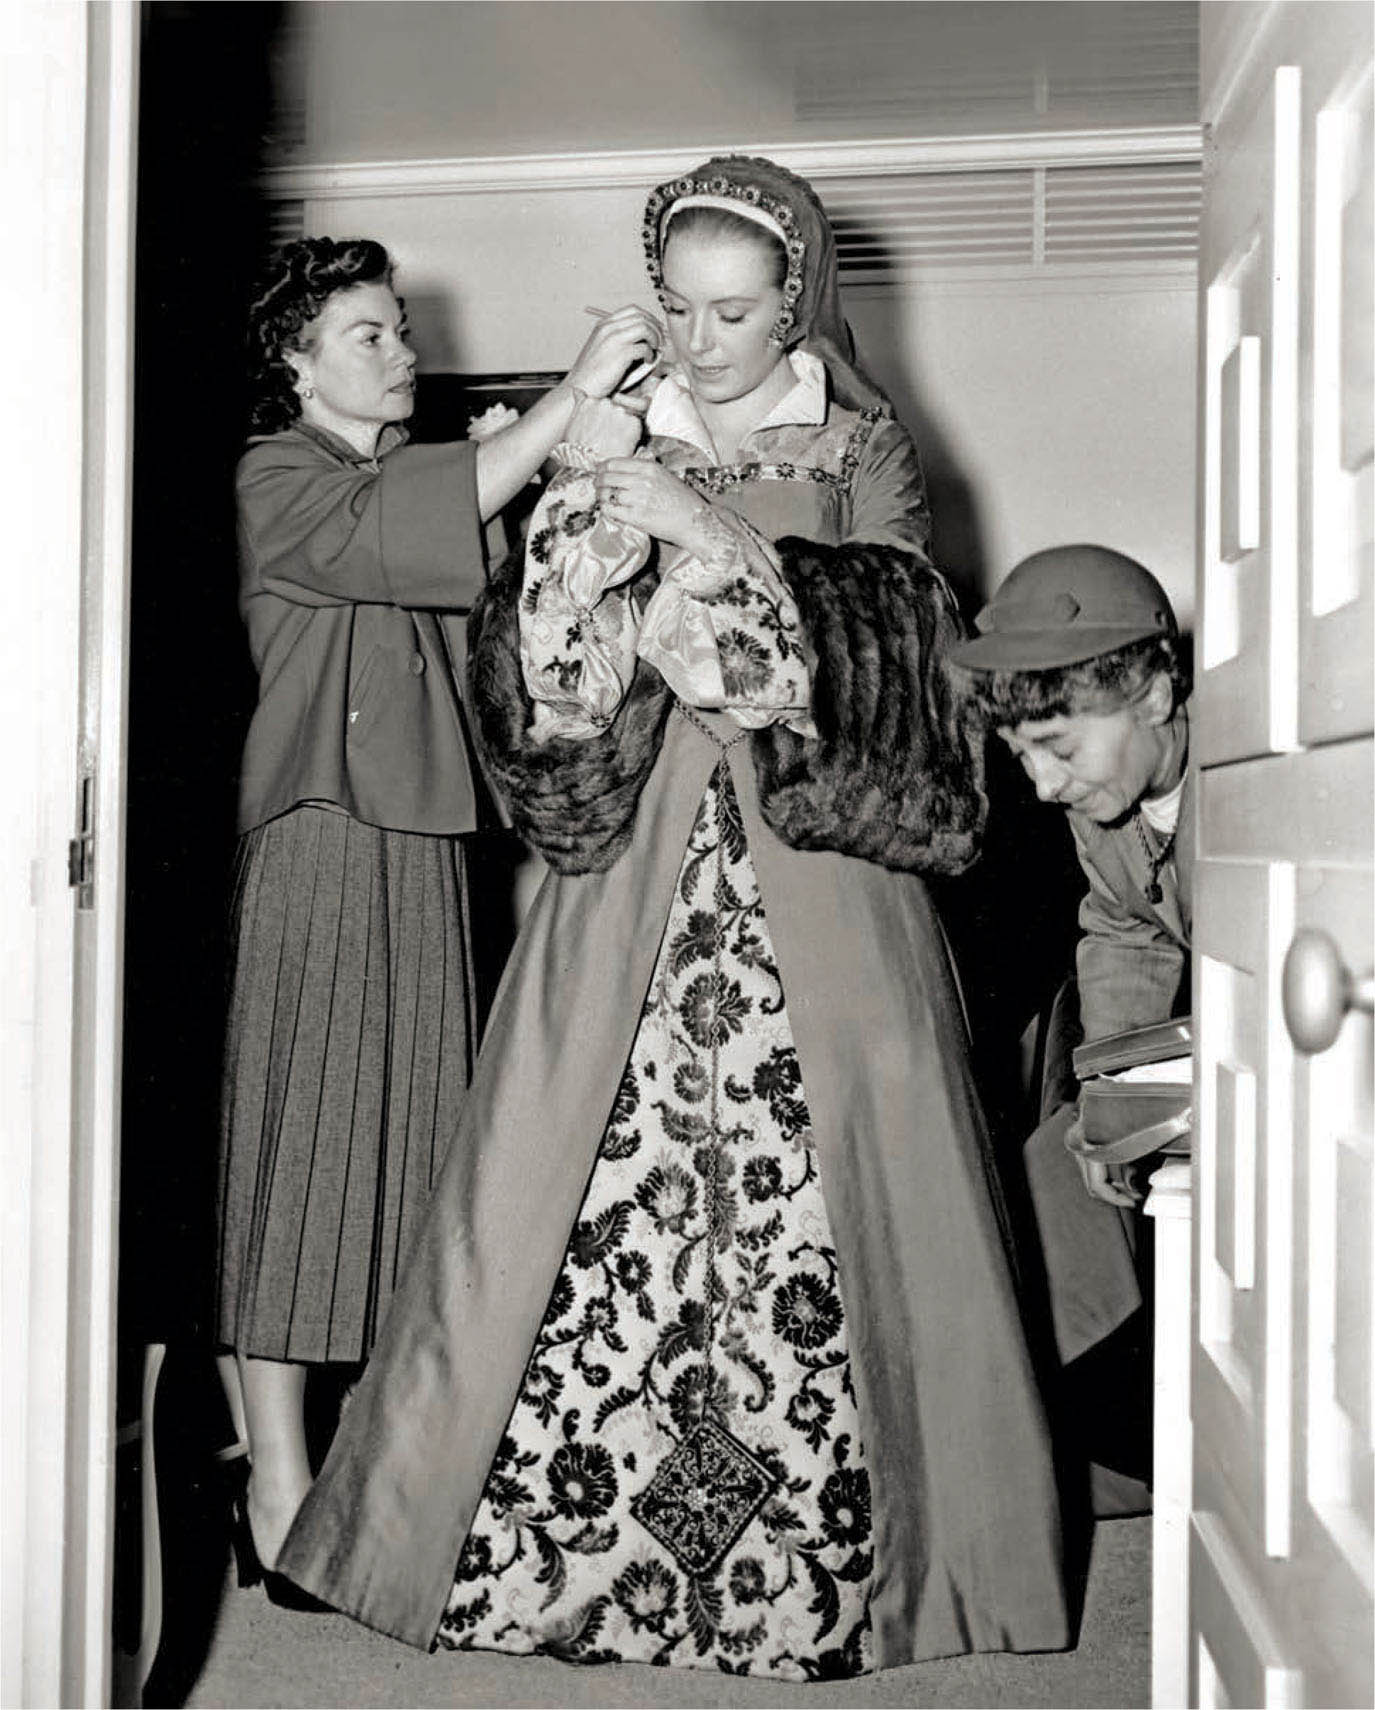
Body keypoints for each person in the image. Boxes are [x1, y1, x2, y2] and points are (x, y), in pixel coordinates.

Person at [276, 159, 1069, 1678]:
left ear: (795, 303)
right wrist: (595, 517)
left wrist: (702, 540)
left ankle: (896, 1566)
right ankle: (486, 1541)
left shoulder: (863, 446)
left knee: (859, 1163)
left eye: (735, 312)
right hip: (639, 850)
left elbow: (902, 638)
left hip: (816, 862)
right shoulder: (615, 420)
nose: (702, 342)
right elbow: (546, 668)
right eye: (679, 309)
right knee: (550, 1169)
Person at [215, 235, 659, 1590]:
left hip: (415, 839)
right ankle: (274, 1482)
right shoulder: (276, 472)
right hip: (322, 833)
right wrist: (560, 398)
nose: (400, 349)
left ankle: (361, 1471)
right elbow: (437, 509)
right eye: (367, 333)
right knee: (299, 1157)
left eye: (399, 326)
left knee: (403, 1156)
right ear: (295, 361)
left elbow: (498, 550)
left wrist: (591, 434)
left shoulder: (400, 480)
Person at [947, 542, 1191, 1513]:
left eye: (1061, 747)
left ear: (1155, 695)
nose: (1044, 787)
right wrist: (1112, 1099)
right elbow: (1124, 932)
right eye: (1022, 756)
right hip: (1189, 1056)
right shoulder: (1107, 805)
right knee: (1047, 1197)